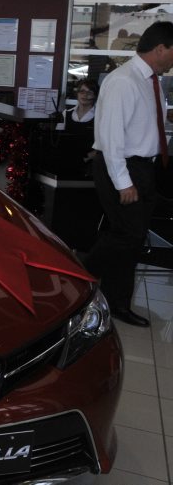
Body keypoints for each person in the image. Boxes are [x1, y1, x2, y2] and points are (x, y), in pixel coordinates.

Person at [84, 20, 173, 328]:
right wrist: (124, 182)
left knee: (133, 239)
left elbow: (146, 123)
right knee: (126, 235)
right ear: (160, 49)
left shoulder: (151, 81)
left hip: (144, 167)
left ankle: (116, 301)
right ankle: (75, 273)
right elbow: (111, 137)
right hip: (122, 166)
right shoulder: (124, 80)